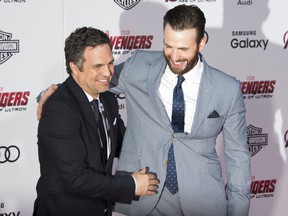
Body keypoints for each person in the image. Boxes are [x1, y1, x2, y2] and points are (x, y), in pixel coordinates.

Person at [37, 5, 251, 216]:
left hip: (203, 199)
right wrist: (49, 93)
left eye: (183, 49)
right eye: (168, 46)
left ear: (201, 42)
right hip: (146, 196)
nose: (174, 57)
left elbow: (238, 156)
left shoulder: (228, 89)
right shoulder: (138, 66)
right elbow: (90, 81)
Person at [33, 27, 159, 216]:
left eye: (110, 63)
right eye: (97, 66)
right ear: (75, 67)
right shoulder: (59, 110)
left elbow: (120, 143)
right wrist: (132, 184)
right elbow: (76, 179)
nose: (108, 73)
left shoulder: (107, 98)